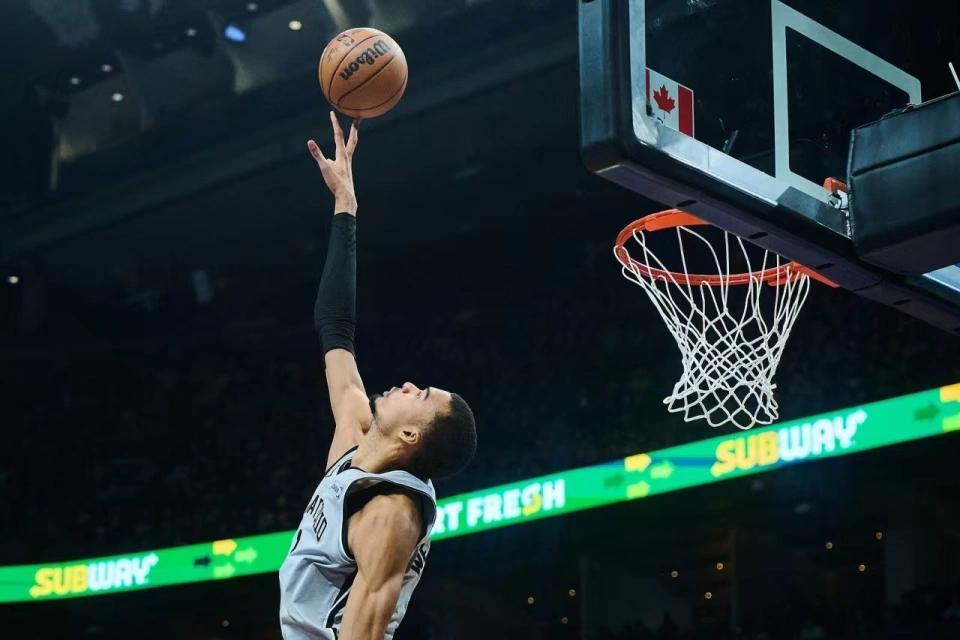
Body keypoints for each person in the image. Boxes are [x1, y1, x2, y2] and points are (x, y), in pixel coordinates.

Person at [278, 111, 478, 640]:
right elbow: (335, 329)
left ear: (410, 434)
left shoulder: (391, 514)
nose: (409, 384)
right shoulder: (356, 443)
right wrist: (345, 206)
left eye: (422, 395)